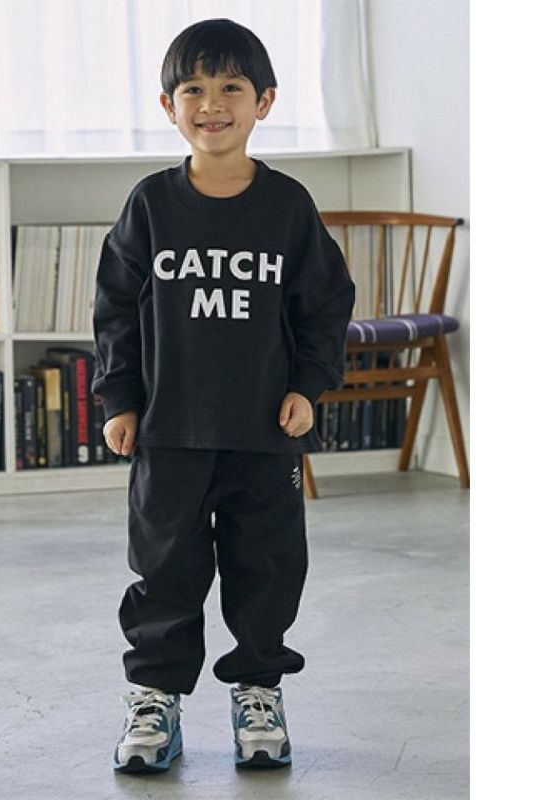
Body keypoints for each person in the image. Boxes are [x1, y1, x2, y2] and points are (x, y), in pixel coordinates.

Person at [91, 17, 355, 774]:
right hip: (168, 431)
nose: (212, 104)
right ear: (168, 105)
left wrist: (308, 386)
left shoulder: (288, 207)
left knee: (267, 566)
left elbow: (324, 305)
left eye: (231, 87)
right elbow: (115, 311)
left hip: (264, 431)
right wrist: (119, 399)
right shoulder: (150, 205)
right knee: (164, 570)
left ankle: (259, 690)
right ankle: (155, 698)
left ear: (263, 101)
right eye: (194, 89)